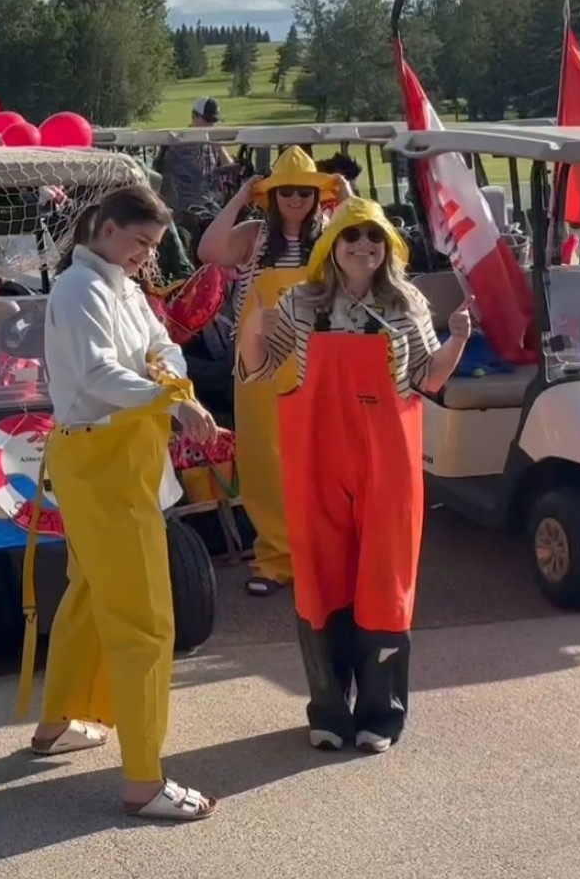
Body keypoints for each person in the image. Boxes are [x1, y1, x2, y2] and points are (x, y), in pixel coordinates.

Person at [237, 196, 471, 753]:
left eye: (373, 238)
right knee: (320, 579)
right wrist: (251, 329)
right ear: (332, 247)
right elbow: (261, 371)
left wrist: (459, 336)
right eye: (351, 237)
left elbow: (427, 378)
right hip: (317, 456)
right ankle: (327, 712)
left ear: (387, 246)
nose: (363, 246)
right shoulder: (300, 302)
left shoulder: (406, 302)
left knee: (384, 580)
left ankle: (379, 716)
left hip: (387, 460)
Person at [27, 183, 220, 821]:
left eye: (152, 246)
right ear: (107, 229)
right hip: (103, 465)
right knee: (145, 623)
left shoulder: (121, 285)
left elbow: (161, 346)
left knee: (87, 595)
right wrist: (173, 398)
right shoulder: (80, 289)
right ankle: (144, 779)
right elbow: (98, 376)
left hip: (122, 463)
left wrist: (172, 384)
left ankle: (55, 721)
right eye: (140, 242)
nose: (146, 255)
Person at [198, 146, 343, 597]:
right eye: (286, 191)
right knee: (265, 461)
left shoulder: (331, 236)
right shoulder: (254, 236)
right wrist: (242, 197)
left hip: (317, 359)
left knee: (321, 462)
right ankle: (275, 560)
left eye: (305, 191)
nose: (296, 199)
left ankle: (322, 560)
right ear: (272, 195)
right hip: (260, 364)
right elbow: (208, 249)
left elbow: (372, 247)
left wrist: (349, 197)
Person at [154, 97, 234, 255]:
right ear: (194, 117)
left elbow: (229, 168)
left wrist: (219, 146)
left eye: (214, 122)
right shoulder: (178, 146)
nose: (212, 126)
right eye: (208, 121)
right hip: (184, 212)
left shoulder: (211, 145)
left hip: (208, 208)